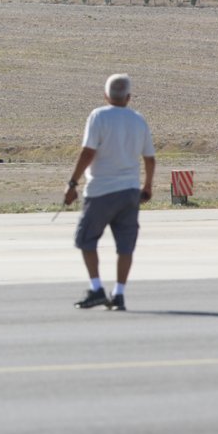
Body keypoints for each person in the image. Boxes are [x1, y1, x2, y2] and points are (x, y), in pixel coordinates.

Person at [64, 74, 155, 311]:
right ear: (128, 97)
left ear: (106, 95)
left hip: (101, 191)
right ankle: (119, 293)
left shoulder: (99, 116)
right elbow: (150, 158)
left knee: (86, 240)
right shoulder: (138, 120)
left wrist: (73, 183)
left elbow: (87, 153)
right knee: (125, 245)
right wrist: (147, 186)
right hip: (129, 191)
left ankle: (96, 288)